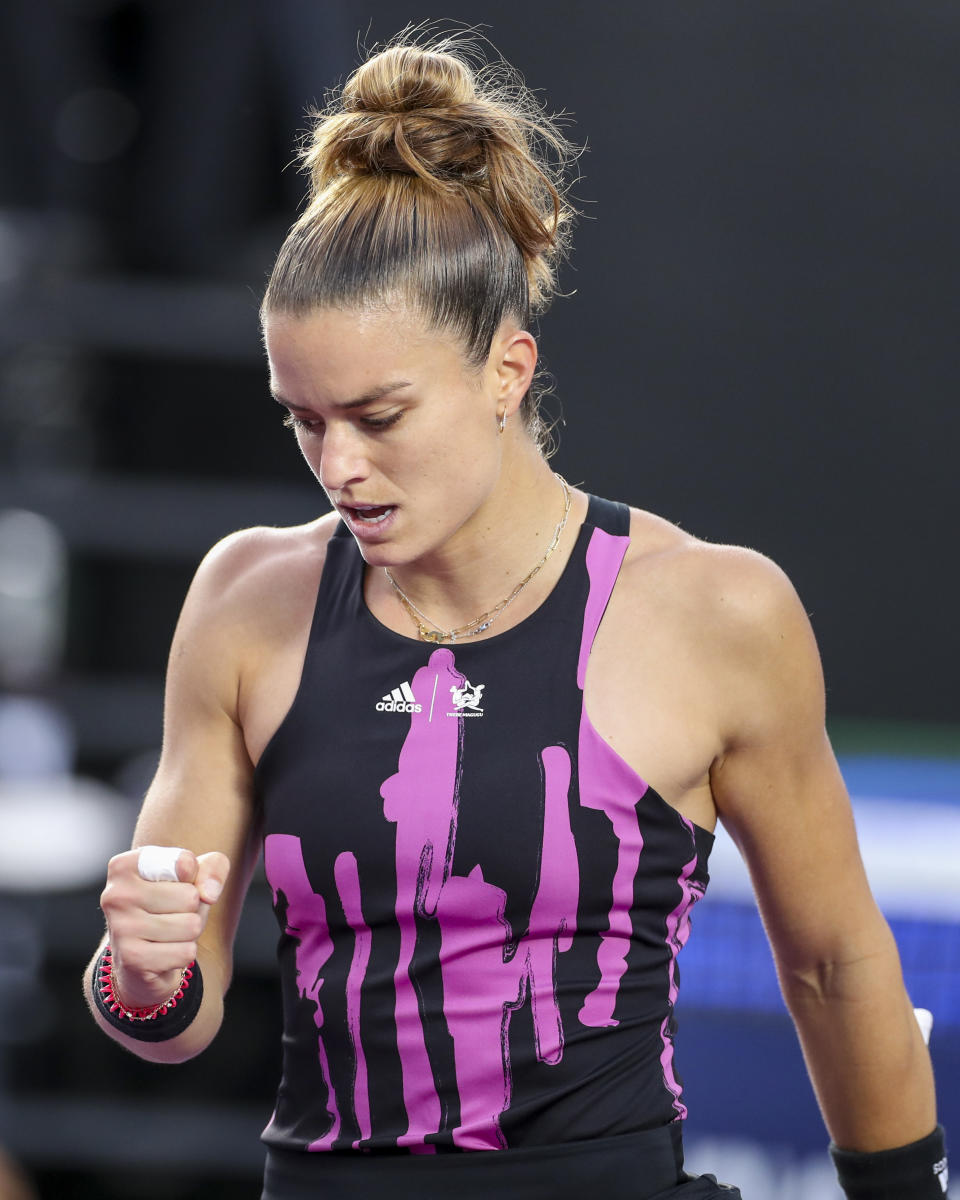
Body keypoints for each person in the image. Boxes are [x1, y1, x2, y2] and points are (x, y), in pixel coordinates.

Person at [84, 29, 948, 1200]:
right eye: (304, 419)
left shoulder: (714, 610)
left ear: (508, 369)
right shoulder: (247, 597)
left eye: (379, 416)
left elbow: (839, 967)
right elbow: (171, 1010)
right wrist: (140, 975)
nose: (337, 464)